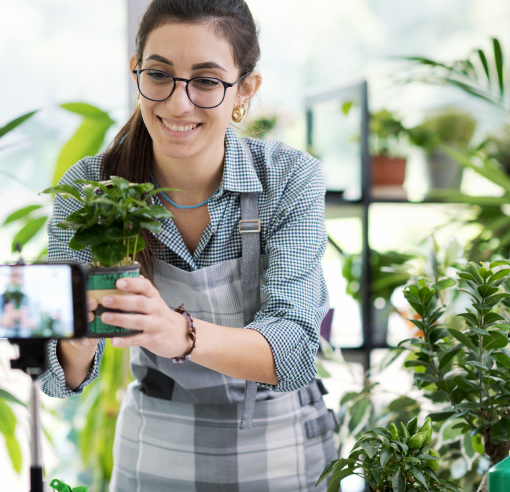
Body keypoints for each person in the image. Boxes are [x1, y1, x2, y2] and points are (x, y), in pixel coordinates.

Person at [41, 0, 336, 490]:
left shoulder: (287, 178)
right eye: (159, 75)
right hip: (156, 458)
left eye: (206, 81)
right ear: (136, 71)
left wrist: (178, 333)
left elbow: (295, 349)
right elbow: (58, 378)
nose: (178, 104)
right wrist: (77, 335)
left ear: (245, 89)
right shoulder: (93, 186)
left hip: (281, 455)